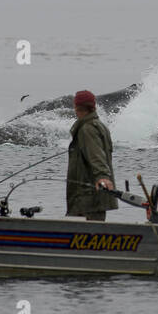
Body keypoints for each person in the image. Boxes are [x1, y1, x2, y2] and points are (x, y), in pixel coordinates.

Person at [66, 90, 118, 221]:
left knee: (89, 235)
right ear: (93, 106)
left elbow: (96, 155)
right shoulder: (100, 126)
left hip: (90, 194)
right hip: (95, 194)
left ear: (77, 107)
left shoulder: (87, 129)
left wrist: (102, 176)